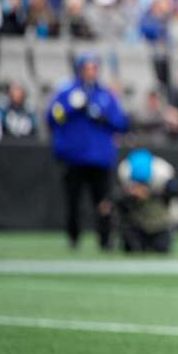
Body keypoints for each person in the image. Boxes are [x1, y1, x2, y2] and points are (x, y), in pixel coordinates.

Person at [47, 53, 129, 251]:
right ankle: (73, 237)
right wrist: (70, 107)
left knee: (102, 202)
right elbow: (52, 116)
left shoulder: (105, 94)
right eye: (87, 68)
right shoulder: (67, 92)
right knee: (73, 200)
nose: (90, 72)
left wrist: (102, 117)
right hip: (74, 157)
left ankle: (105, 238)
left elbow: (121, 123)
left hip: (99, 157)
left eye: (93, 68)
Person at [116, 149, 178, 254]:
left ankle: (169, 231)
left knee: (162, 248)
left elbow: (175, 193)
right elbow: (119, 201)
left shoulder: (163, 172)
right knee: (133, 248)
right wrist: (131, 196)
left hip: (159, 220)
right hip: (137, 220)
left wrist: (151, 194)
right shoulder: (125, 170)